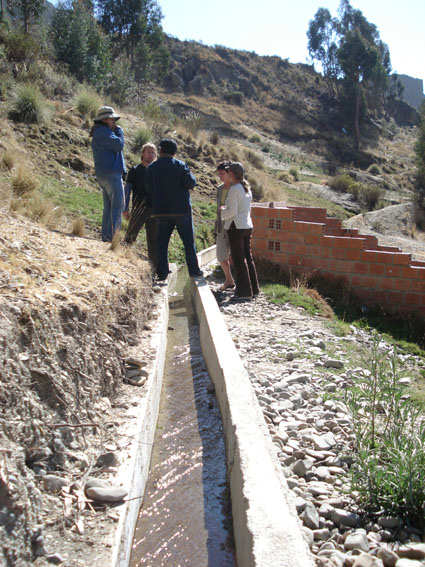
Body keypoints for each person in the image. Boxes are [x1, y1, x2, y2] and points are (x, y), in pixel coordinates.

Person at [146, 139, 203, 281]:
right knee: (188, 242)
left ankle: (162, 273)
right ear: (174, 152)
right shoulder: (180, 166)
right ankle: (194, 271)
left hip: (161, 211)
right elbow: (191, 183)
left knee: (162, 243)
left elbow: (148, 188)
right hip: (181, 210)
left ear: (160, 150)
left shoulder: (152, 167)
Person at [221, 162, 259, 300]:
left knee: (238, 259)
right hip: (247, 225)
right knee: (248, 258)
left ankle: (243, 292)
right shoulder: (246, 188)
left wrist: (221, 212)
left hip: (236, 227)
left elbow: (232, 212)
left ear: (231, 174)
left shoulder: (234, 189)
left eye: (227, 172)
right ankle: (253, 289)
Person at [91, 106, 126, 242]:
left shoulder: (99, 132)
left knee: (109, 207)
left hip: (103, 174)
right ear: (105, 120)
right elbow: (119, 145)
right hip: (111, 173)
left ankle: (106, 236)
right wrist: (119, 132)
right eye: (112, 119)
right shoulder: (104, 132)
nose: (114, 122)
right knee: (117, 206)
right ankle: (112, 238)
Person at [124, 142, 158, 266]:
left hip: (155, 210)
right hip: (139, 208)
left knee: (154, 241)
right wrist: (125, 208)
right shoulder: (135, 170)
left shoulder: (158, 172)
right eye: (148, 152)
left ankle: (154, 269)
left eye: (153, 152)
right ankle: (122, 260)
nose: (151, 155)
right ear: (142, 154)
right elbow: (127, 191)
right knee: (130, 236)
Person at [215, 162, 235, 291]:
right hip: (221, 225)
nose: (220, 176)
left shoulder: (237, 188)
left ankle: (239, 282)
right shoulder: (220, 189)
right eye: (219, 174)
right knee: (221, 255)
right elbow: (219, 208)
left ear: (229, 173)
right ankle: (229, 279)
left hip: (235, 226)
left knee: (236, 255)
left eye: (222, 174)